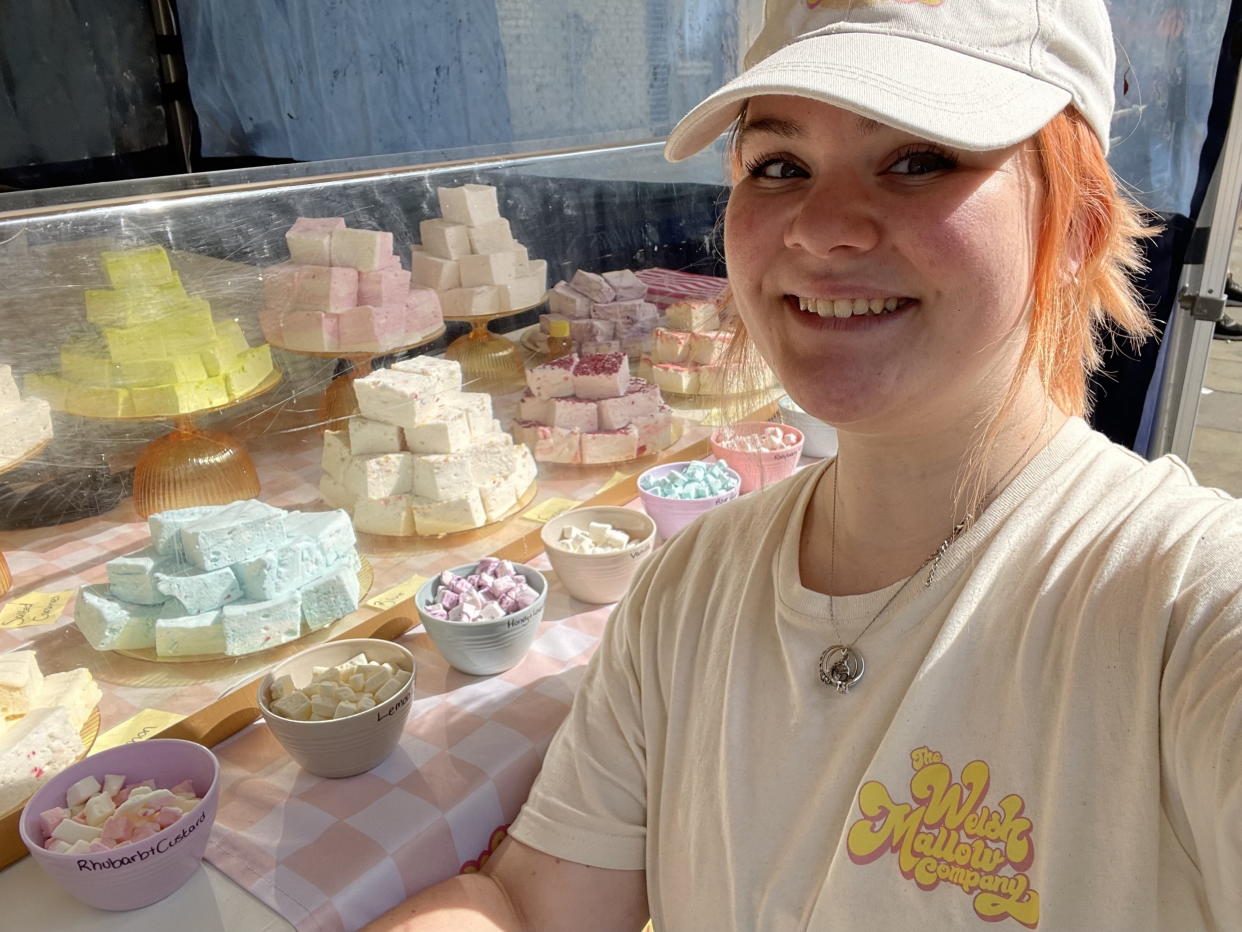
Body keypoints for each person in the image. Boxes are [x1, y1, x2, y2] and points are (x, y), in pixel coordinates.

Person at [367, 1, 1242, 929]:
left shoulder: (1183, 609)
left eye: (919, 159)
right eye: (780, 166)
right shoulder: (687, 588)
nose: (822, 230)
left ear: (1075, 230)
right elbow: (538, 906)